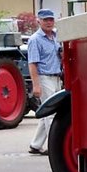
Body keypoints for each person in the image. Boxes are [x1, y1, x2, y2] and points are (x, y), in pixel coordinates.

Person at [26, 10, 62, 156]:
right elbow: (32, 64)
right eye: (45, 20)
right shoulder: (35, 39)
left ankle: (36, 144)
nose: (49, 22)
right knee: (51, 114)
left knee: (47, 112)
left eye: (51, 20)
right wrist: (36, 85)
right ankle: (54, 147)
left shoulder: (56, 37)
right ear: (39, 21)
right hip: (44, 77)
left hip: (56, 77)